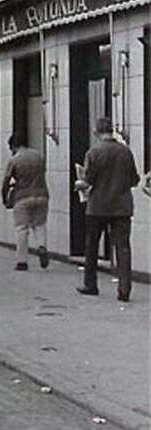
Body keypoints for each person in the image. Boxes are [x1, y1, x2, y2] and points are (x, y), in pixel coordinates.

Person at [74, 117, 140, 302]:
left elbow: (88, 181)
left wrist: (80, 184)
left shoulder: (93, 152)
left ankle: (90, 284)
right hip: (122, 207)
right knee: (123, 248)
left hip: (97, 207)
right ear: (112, 131)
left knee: (92, 246)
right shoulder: (125, 152)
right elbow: (134, 179)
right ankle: (124, 290)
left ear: (96, 131)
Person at [1, 134, 49, 271]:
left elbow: (6, 181)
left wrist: (5, 197)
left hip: (22, 197)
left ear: (13, 146)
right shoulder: (39, 156)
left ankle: (22, 261)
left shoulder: (14, 160)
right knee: (40, 224)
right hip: (42, 195)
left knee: (22, 228)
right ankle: (42, 246)